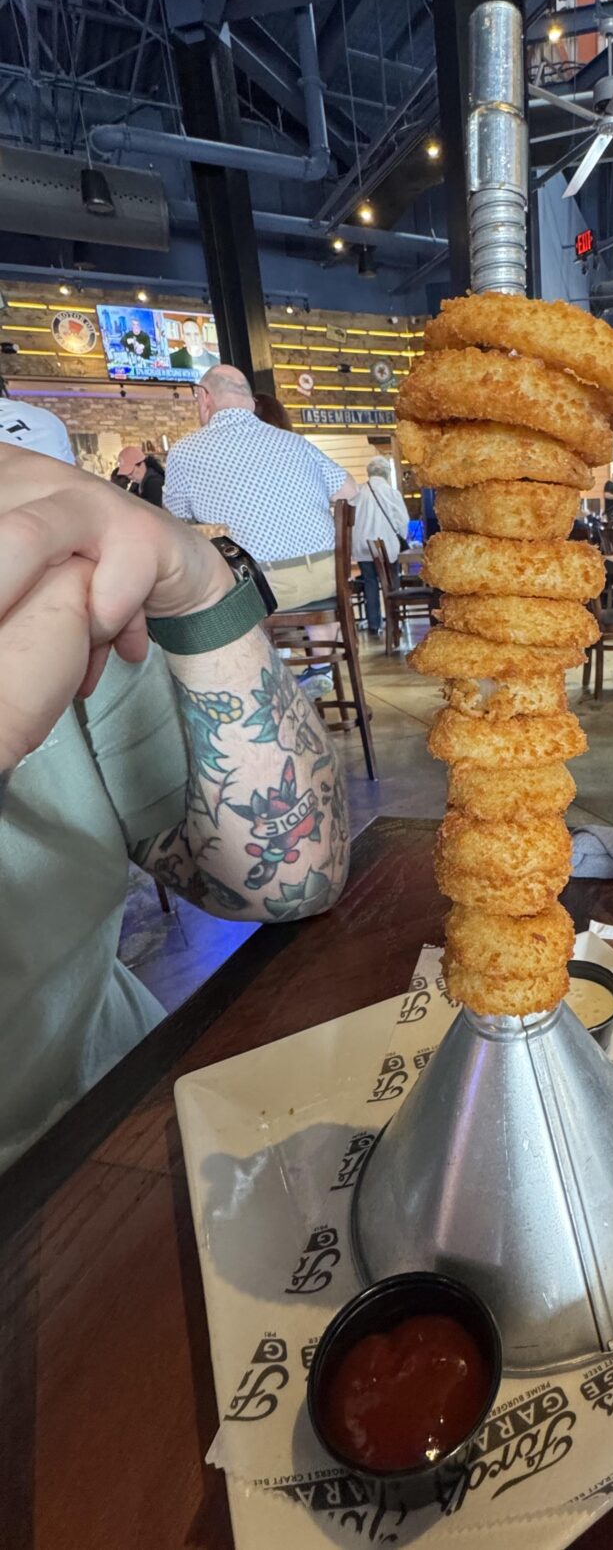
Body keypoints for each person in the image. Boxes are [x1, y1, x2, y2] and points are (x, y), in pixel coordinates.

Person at [0, 406, 349, 1171]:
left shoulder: (50, 570)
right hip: (327, 593)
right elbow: (341, 495)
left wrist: (203, 591)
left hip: (108, 1107)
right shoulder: (290, 445)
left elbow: (294, 881)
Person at [163, 365, 356, 609]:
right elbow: (350, 491)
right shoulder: (295, 442)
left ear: (203, 396)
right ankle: (323, 644)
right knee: (316, 613)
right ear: (250, 401)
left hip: (260, 587)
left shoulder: (185, 453)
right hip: (329, 577)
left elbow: (176, 522)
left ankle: (254, 646)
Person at [352, 450, 411, 637]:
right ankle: (394, 622)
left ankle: (374, 624)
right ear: (386, 473)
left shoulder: (358, 493)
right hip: (387, 549)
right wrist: (402, 538)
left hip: (363, 547)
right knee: (392, 583)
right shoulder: (391, 493)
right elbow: (403, 521)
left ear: (369, 473)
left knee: (370, 582)